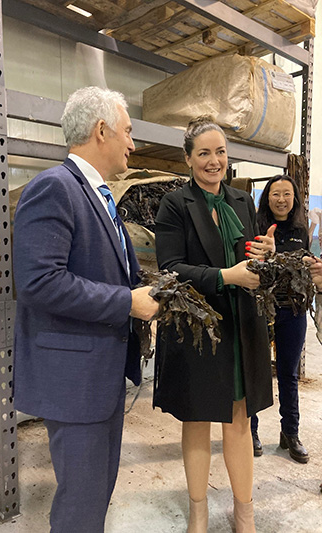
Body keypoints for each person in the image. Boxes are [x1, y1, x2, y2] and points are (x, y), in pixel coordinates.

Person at [12, 86, 159, 533]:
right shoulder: (54, 188)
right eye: (128, 131)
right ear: (101, 131)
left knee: (95, 493)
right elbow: (39, 282)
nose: (133, 144)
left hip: (99, 374)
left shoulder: (99, 195)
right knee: (81, 502)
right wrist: (126, 302)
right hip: (75, 382)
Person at [154, 116, 275, 533]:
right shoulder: (175, 204)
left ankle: (245, 513)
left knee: (239, 419)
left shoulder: (242, 202)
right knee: (198, 418)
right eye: (204, 153)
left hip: (241, 325)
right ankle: (198, 511)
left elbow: (253, 260)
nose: (214, 161)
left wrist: (265, 252)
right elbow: (171, 269)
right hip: (199, 329)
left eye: (220, 152)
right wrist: (227, 276)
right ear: (188, 159)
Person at [251, 175, 309, 464]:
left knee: (289, 374)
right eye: (276, 194)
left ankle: (290, 433)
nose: (282, 199)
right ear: (267, 198)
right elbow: (252, 264)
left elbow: (303, 264)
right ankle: (251, 432)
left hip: (293, 310)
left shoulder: (300, 228)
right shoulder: (257, 226)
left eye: (287, 194)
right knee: (257, 371)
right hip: (262, 308)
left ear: (294, 198)